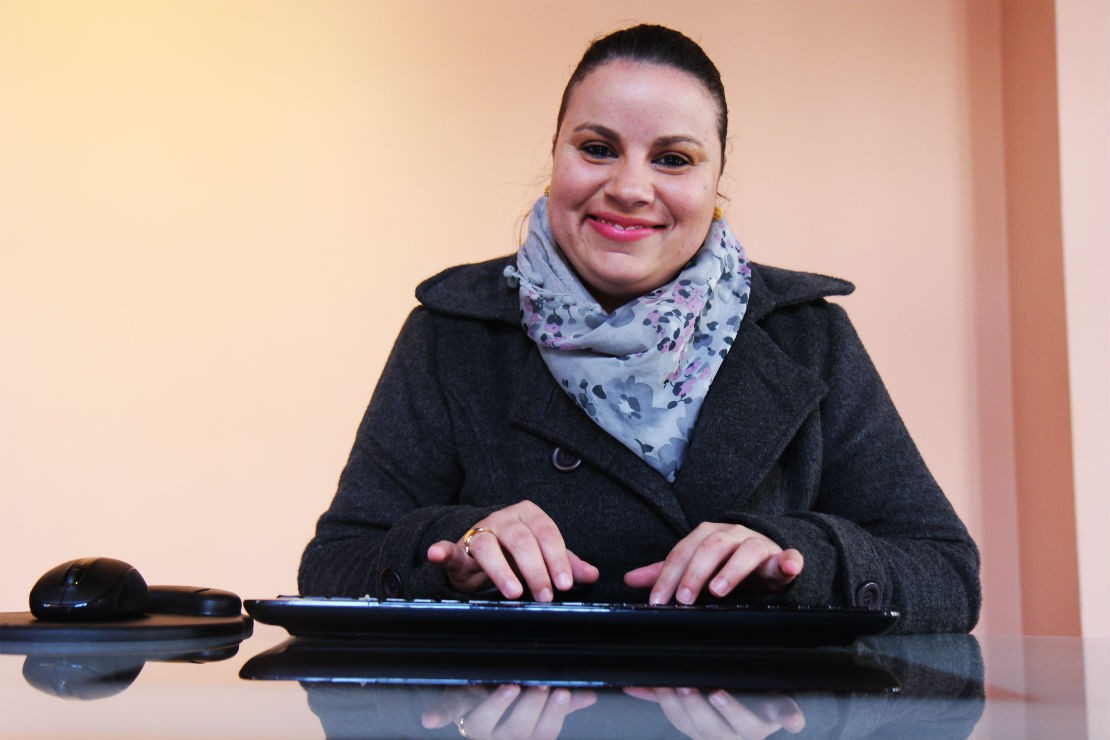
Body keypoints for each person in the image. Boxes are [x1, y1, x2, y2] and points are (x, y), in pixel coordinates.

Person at [298, 24, 981, 634]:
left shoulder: (808, 337)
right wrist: (454, 545)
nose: (629, 187)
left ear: (716, 184)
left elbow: (946, 576)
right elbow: (333, 568)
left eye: (673, 159)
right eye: (597, 148)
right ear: (555, 157)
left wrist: (797, 554)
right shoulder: (454, 332)